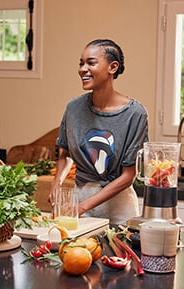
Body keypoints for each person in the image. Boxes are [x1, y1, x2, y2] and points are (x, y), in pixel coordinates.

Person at [51, 39, 149, 226]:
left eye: (91, 62)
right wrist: (57, 183)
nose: (82, 69)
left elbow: (128, 176)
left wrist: (82, 207)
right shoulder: (73, 108)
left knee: (116, 255)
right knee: (77, 254)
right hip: (79, 202)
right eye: (81, 63)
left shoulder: (135, 114)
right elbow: (65, 153)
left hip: (118, 209)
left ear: (112, 67)